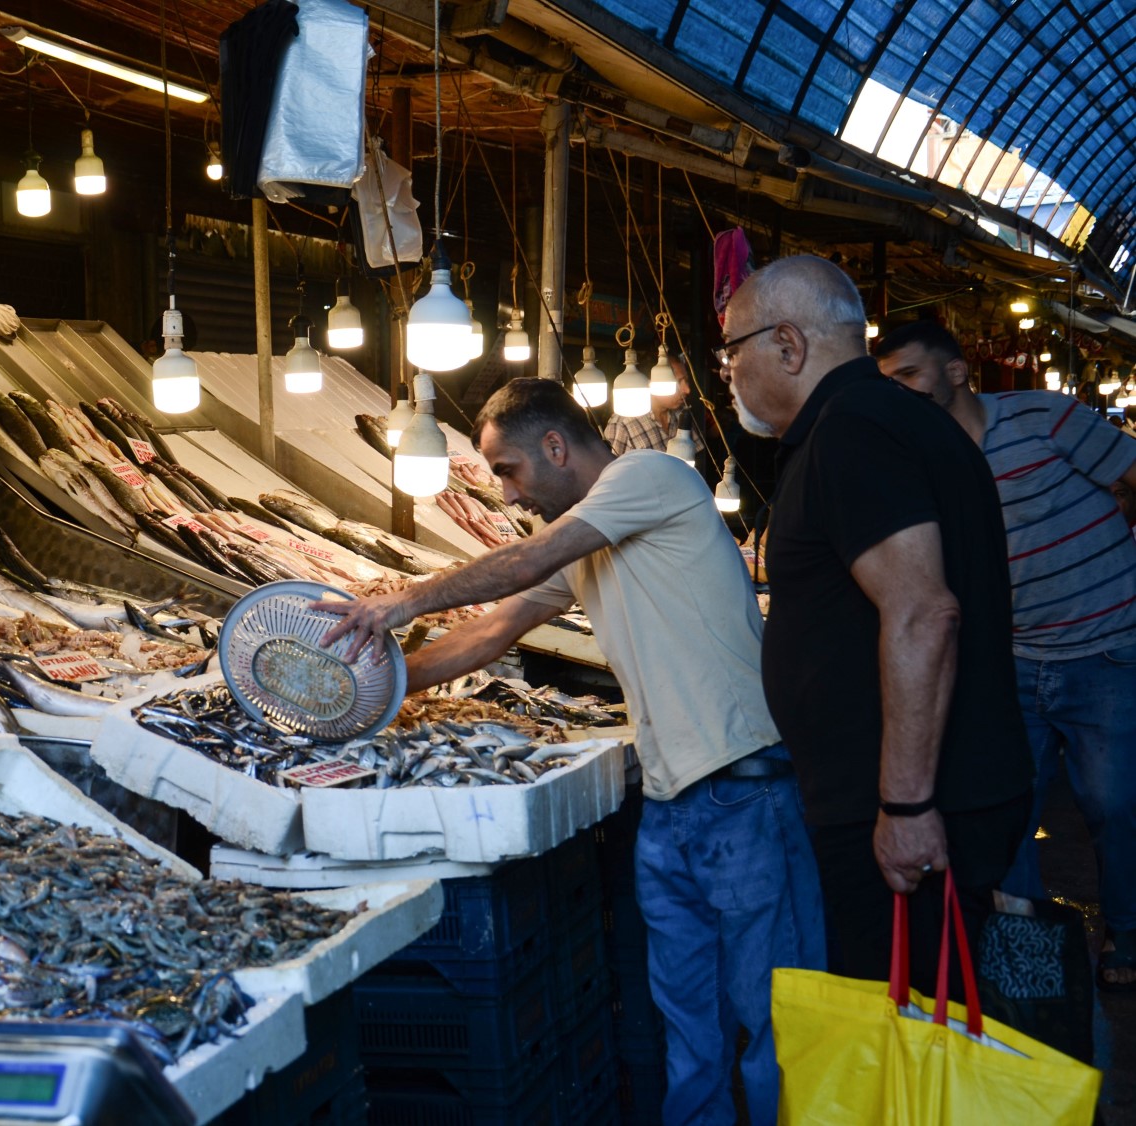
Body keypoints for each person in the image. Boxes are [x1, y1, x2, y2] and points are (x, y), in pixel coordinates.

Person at [314, 378, 823, 1126]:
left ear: (556, 446)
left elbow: (522, 564)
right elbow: (496, 628)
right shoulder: (587, 537)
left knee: (776, 1023)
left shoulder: (648, 479)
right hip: (671, 807)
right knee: (688, 1030)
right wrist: (380, 685)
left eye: (510, 470)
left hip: (747, 793)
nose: (510, 496)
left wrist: (405, 601)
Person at [722, 256, 1032, 996]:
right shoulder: (895, 420)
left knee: (917, 1041)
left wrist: (906, 805)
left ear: (788, 345)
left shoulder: (851, 432)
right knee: (933, 1023)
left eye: (732, 352)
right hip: (926, 794)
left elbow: (926, 612)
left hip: (911, 810)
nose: (728, 372)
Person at [874, 319, 1136, 992]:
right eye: (889, 382)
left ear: (955, 372)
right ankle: (1022, 957)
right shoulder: (921, 461)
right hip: (1011, 663)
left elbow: (1131, 474)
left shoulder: (1045, 418)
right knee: (1006, 811)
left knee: (1114, 805)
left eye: (908, 373)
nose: (899, 390)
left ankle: (1128, 934)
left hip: (1104, 649)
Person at [603, 355, 690, 454]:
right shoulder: (623, 424)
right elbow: (610, 468)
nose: (687, 390)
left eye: (686, 381)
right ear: (651, 383)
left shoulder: (682, 413)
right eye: (678, 382)